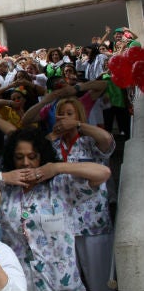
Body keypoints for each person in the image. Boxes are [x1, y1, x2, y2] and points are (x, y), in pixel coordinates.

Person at [0, 128, 111, 290]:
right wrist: (3, 176)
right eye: (19, 157)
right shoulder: (6, 190)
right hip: (23, 282)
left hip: (62, 282)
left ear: (42, 157)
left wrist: (57, 168)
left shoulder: (60, 185)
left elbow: (103, 172)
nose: (26, 163)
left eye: (32, 157)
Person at [49, 98, 116, 291]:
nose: (64, 118)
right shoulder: (53, 145)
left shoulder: (89, 141)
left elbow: (107, 140)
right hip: (61, 225)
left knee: (100, 283)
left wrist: (78, 125)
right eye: (60, 113)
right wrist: (54, 134)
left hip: (93, 224)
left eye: (70, 113)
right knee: (68, 283)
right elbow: (35, 150)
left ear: (80, 116)